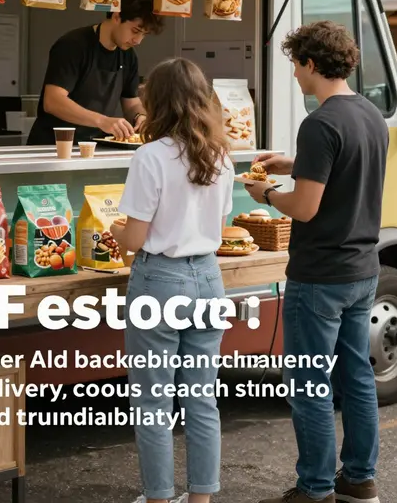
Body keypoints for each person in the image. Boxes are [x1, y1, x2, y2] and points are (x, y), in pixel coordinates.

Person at [244, 21, 389, 503]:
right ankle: (359, 479)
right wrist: (295, 164)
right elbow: (345, 173)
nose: (293, 76)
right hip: (363, 268)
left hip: (319, 275)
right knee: (356, 376)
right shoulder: (369, 114)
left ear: (311, 63)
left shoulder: (320, 122)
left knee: (309, 383)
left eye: (295, 65)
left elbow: (304, 208)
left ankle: (315, 488)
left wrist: (267, 193)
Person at [110, 57, 233, 503]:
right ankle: (200, 499)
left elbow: (135, 237)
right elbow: (217, 223)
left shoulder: (150, 156)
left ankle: (159, 497)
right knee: (202, 401)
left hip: (160, 282)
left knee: (153, 402)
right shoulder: (221, 154)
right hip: (208, 278)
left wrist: (114, 232)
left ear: (156, 102)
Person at [26, 0, 164, 145]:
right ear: (117, 16)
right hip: (54, 146)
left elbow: (131, 102)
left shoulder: (128, 56)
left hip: (95, 146)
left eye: (143, 35)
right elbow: (53, 101)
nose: (138, 40)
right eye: (135, 31)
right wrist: (102, 121)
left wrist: (141, 117)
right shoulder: (73, 45)